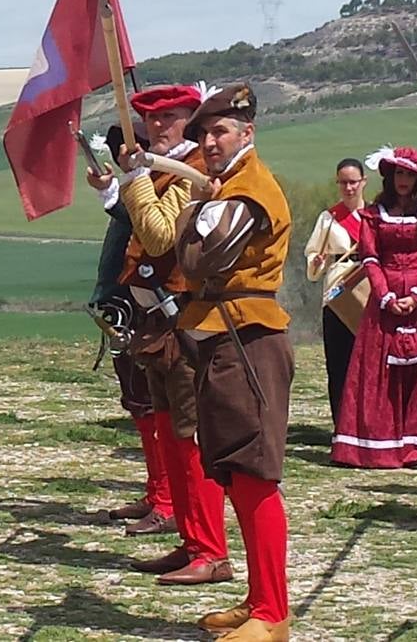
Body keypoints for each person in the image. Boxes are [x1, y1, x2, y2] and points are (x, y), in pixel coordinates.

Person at [174, 83, 295, 642]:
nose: (209, 141)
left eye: (220, 130)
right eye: (203, 132)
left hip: (250, 338)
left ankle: (273, 612)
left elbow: (198, 260)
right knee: (235, 470)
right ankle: (258, 598)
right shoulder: (228, 187)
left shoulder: (250, 189)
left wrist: (196, 207)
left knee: (254, 472)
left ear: (247, 132)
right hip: (225, 334)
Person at [115, 84, 232, 586]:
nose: (159, 126)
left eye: (171, 117)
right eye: (153, 119)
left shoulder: (195, 174)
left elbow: (162, 235)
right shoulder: (168, 170)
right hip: (159, 319)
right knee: (168, 429)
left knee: (189, 438)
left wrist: (136, 178)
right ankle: (190, 541)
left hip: (189, 319)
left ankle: (209, 548)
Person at [330, 147, 417, 469]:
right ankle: (376, 446)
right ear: (389, 176)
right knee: (378, 373)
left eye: (409, 174)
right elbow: (370, 258)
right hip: (384, 302)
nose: (403, 180)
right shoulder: (373, 214)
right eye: (398, 173)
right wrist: (385, 295)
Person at [87, 122, 175, 536]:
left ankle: (168, 500)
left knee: (157, 404)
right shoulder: (137, 184)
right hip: (124, 302)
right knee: (139, 402)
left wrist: (113, 192)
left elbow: (148, 226)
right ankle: (156, 489)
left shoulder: (164, 182)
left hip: (149, 305)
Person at [302, 157, 367, 425]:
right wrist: (316, 261)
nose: (348, 188)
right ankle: (342, 423)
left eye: (353, 182)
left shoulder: (375, 215)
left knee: (367, 363)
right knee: (339, 363)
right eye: (343, 183)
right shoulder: (328, 218)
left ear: (363, 182)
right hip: (337, 294)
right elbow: (313, 253)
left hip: (368, 292)